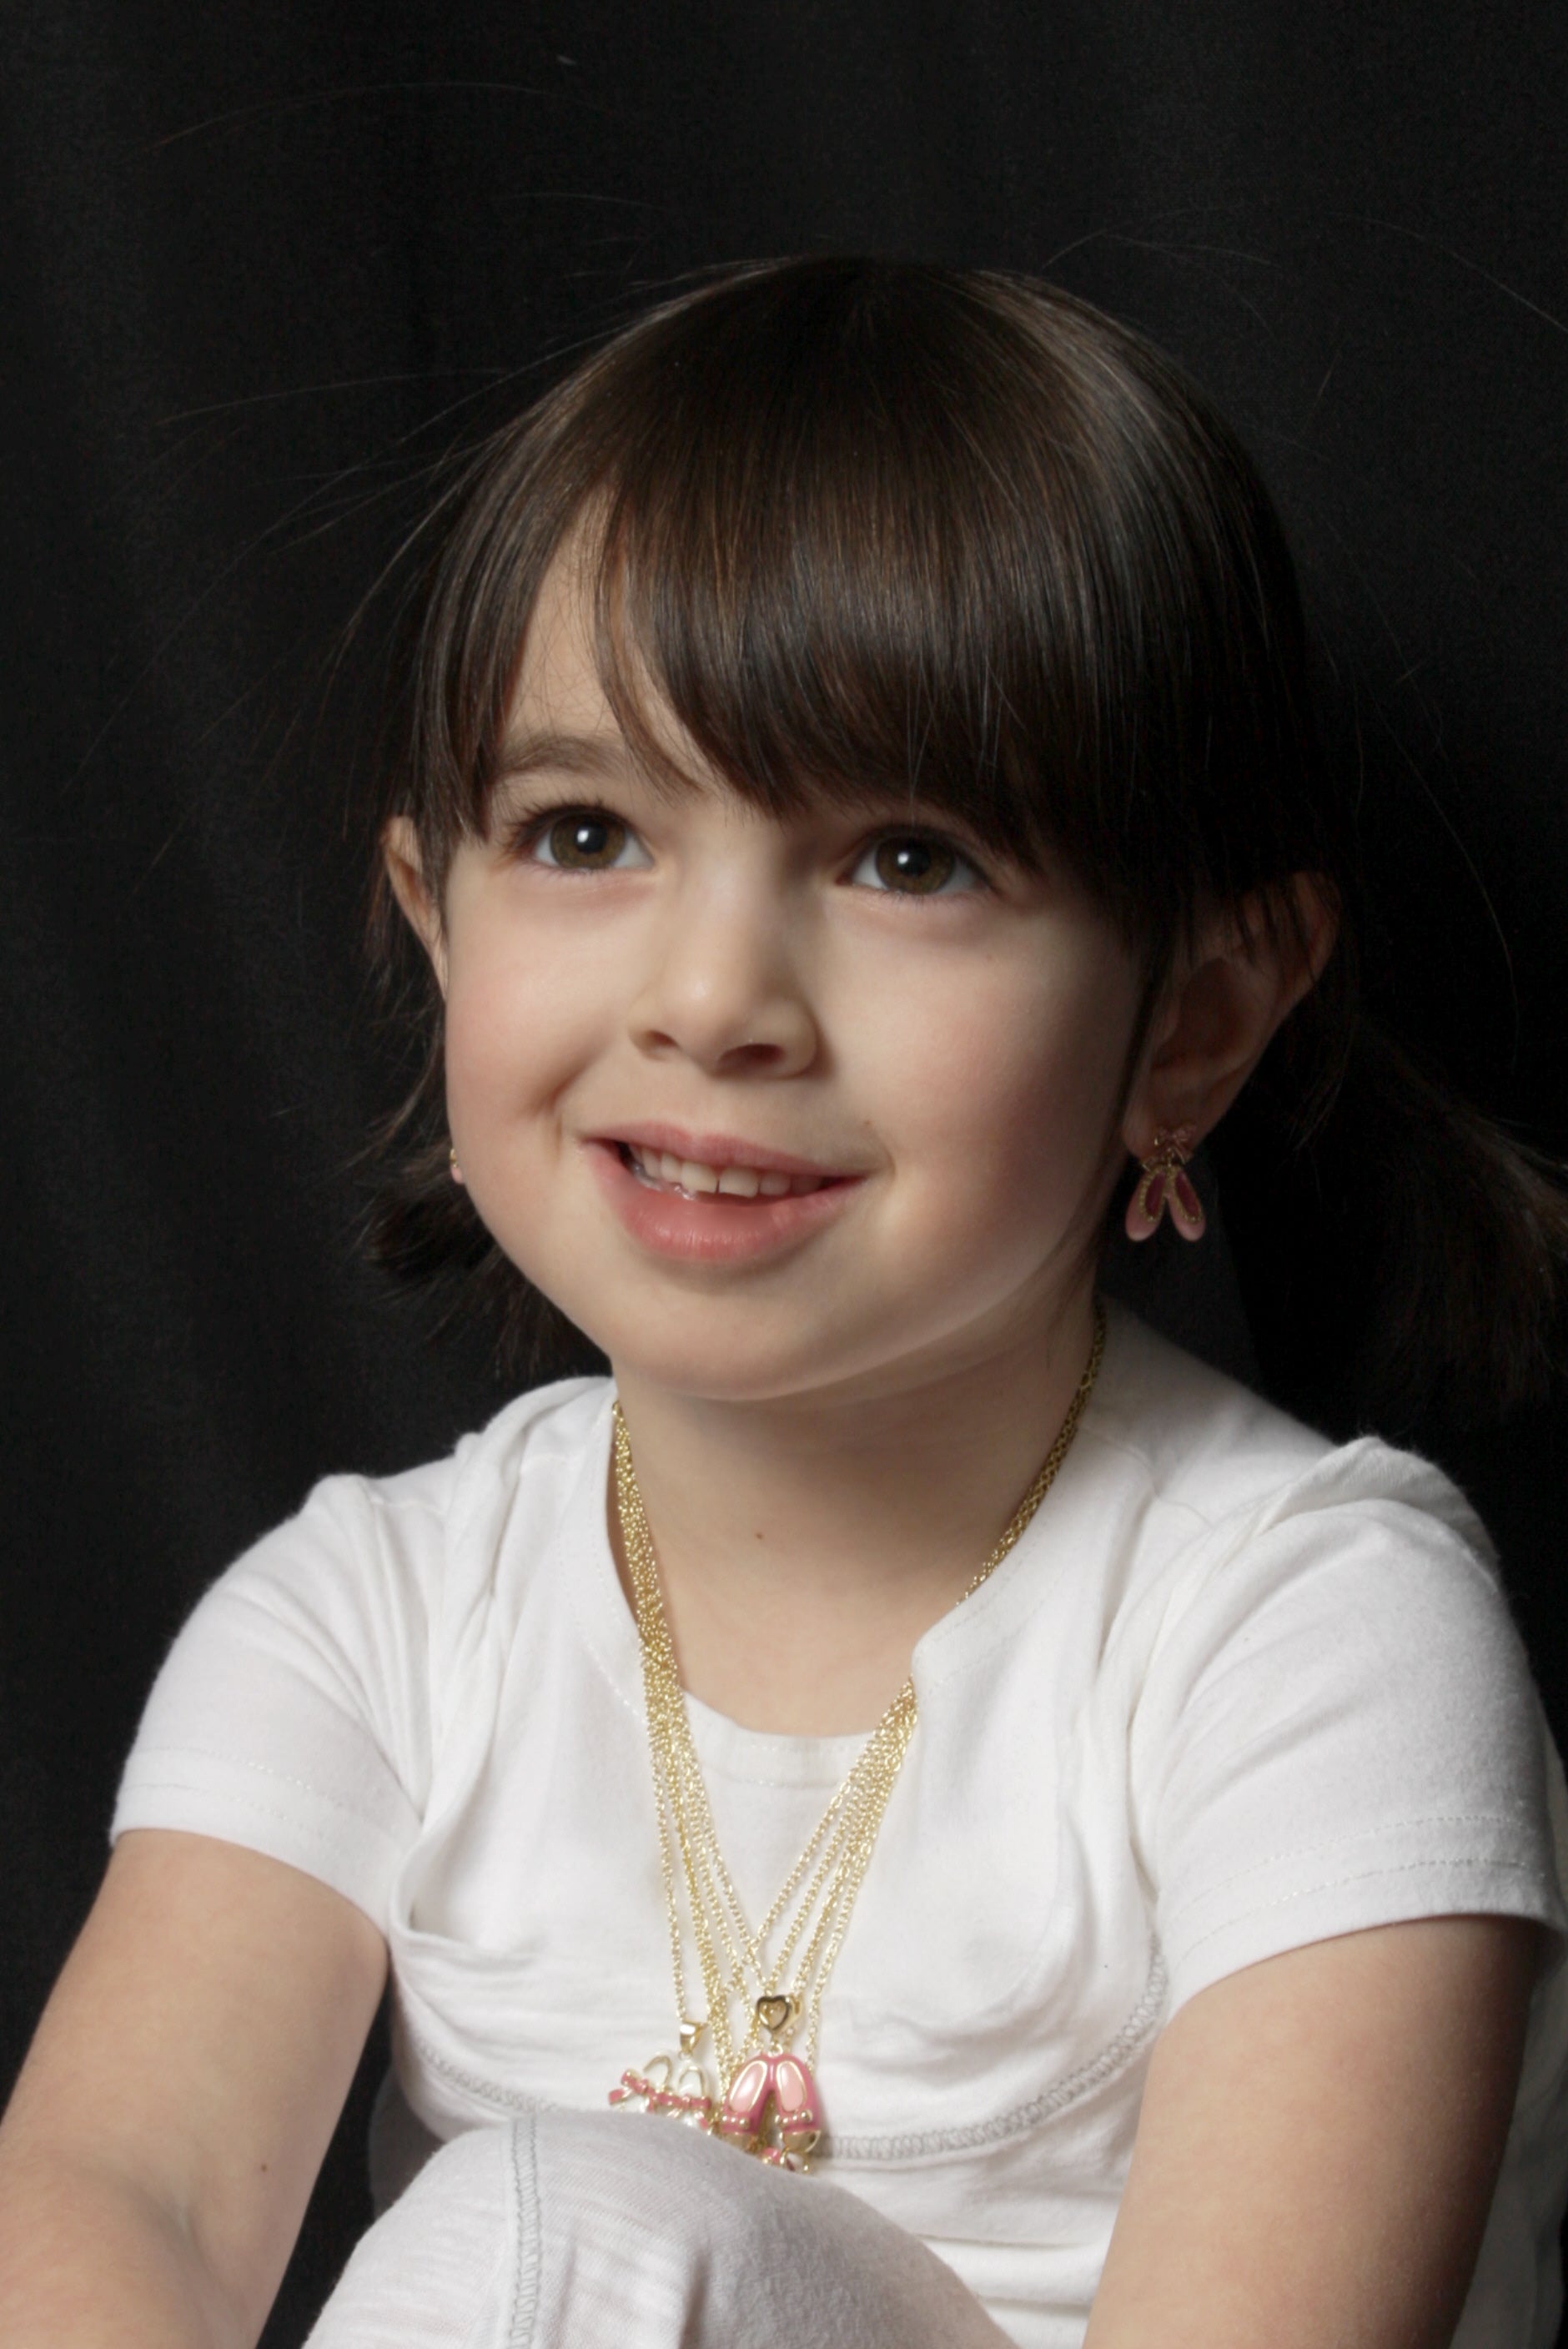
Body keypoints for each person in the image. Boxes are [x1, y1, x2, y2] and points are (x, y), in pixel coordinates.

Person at [2, 258, 1565, 2349]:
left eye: (908, 860)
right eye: (585, 833)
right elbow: (127, 2195)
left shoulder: (1309, 1630)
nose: (713, 997)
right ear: (435, 929)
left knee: (561, 2233)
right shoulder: (367, 1619)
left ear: (1194, 1017)